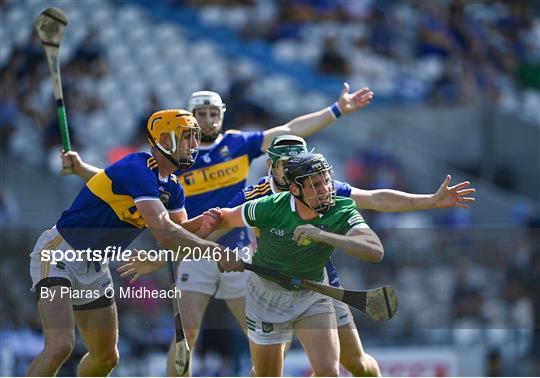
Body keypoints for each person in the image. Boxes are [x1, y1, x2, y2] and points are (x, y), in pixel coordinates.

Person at [119, 135, 477, 376]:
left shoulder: (322, 187)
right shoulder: (256, 196)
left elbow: (376, 198)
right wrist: (164, 256)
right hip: (266, 284)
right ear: (273, 168)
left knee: (355, 364)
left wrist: (430, 201)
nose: (297, 167)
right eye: (287, 163)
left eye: (301, 161)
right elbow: (212, 227)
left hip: (316, 281)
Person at [27, 109, 227, 376]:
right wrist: (215, 251)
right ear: (165, 141)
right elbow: (166, 234)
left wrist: (206, 223)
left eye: (195, 138)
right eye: (187, 137)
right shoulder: (138, 168)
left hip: (95, 267)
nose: (194, 145)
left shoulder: (173, 188)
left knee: (106, 357)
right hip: (59, 254)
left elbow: (181, 232)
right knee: (60, 346)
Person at [217, 152, 383, 376]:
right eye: (315, 184)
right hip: (268, 296)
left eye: (326, 180)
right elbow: (219, 220)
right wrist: (213, 251)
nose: (325, 189)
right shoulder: (268, 206)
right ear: (294, 189)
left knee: (330, 371)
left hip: (312, 292)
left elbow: (375, 251)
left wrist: (324, 236)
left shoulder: (341, 208)